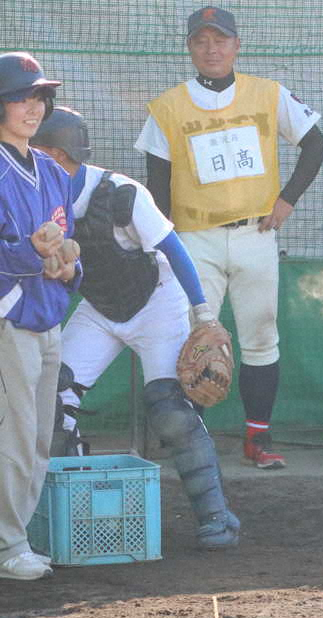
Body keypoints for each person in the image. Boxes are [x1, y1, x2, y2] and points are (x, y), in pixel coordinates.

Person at [31, 106, 240, 549]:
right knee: (53, 397)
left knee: (170, 413)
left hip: (157, 303)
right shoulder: (36, 197)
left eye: (37, 151)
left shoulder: (122, 193)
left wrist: (202, 314)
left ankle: (217, 517)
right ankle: (80, 509)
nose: (29, 158)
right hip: (100, 308)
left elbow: (174, 249)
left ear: (59, 154)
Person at [135, 6, 323, 469]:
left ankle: (256, 441)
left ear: (237, 45)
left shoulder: (268, 93)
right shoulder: (168, 106)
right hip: (194, 239)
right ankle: (192, 442)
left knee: (261, 338)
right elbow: (155, 183)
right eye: (201, 41)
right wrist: (165, 245)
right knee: (195, 341)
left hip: (255, 233)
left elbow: (315, 143)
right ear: (190, 48)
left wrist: (287, 200)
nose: (212, 48)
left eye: (220, 39)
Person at [0, 52, 81, 580]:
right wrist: (34, 255)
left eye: (38, 97)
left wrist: (69, 263)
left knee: (37, 437)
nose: (32, 107)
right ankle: (7, 546)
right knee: (14, 433)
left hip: (48, 316)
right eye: (20, 97)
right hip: (8, 316)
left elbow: (67, 240)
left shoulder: (51, 170)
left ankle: (16, 538)